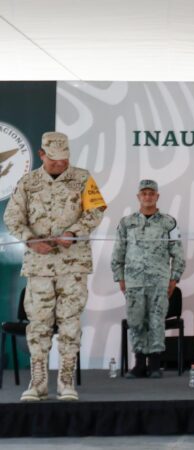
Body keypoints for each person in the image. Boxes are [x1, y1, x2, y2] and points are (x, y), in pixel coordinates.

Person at [3, 131, 106, 401]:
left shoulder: (82, 178)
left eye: (64, 159)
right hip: (39, 264)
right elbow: (13, 217)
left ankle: (66, 379)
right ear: (41, 155)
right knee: (38, 323)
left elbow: (95, 211)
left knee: (70, 321)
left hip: (73, 264)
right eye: (54, 160)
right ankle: (37, 382)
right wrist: (30, 240)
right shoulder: (27, 182)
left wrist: (74, 232)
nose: (60, 164)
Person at [111, 180, 186, 379]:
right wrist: (120, 277)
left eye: (151, 193)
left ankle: (154, 364)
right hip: (133, 280)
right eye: (143, 193)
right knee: (136, 321)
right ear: (138, 197)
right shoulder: (126, 223)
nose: (147, 197)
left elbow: (177, 253)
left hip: (159, 280)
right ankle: (139, 364)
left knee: (156, 320)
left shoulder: (168, 222)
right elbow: (118, 252)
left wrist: (174, 278)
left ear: (157, 196)